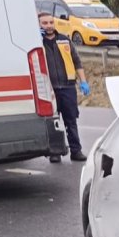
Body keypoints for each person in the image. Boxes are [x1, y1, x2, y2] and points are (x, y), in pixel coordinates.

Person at [38, 10, 90, 161]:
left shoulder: (64, 40)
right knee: (53, 121)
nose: (49, 26)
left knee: (71, 120)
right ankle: (55, 153)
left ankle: (76, 150)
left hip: (67, 87)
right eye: (44, 23)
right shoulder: (38, 43)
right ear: (39, 25)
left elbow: (77, 61)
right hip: (49, 88)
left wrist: (83, 81)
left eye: (51, 22)